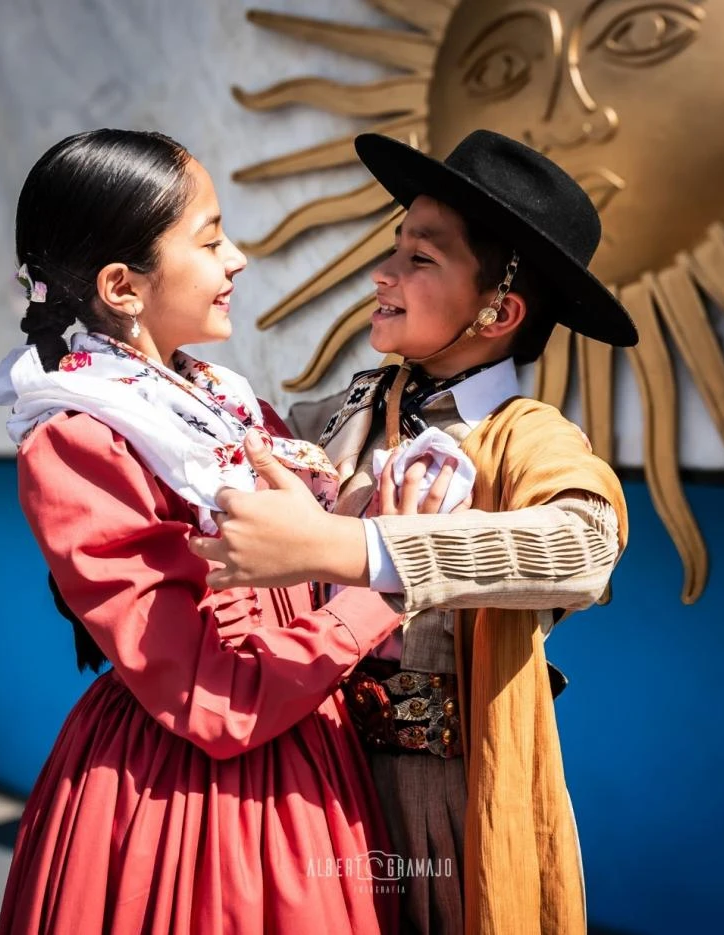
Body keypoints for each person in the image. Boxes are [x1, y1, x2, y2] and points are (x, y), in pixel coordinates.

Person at [191, 129, 638, 935]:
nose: (382, 275)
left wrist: (356, 550)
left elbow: (583, 548)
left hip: (442, 800)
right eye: (393, 249)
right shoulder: (330, 419)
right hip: (313, 776)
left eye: (420, 259)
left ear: (499, 309)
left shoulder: (527, 436)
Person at [0, 128, 420, 935]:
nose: (239, 258)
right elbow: (210, 701)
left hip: (303, 742)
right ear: (123, 285)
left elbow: (297, 572)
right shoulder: (81, 436)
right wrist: (381, 583)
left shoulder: (218, 399)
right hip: (192, 798)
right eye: (212, 237)